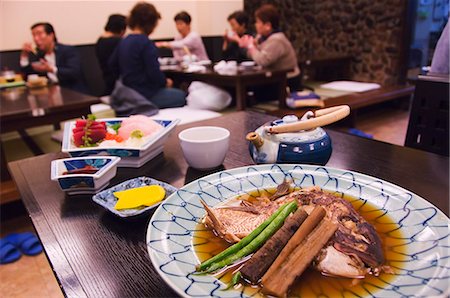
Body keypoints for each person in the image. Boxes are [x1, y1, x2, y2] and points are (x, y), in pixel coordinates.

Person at [109, 1, 186, 108]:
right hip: (145, 94)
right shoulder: (146, 43)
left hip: (127, 94)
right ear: (150, 23)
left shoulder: (124, 41)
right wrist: (165, 82)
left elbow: (112, 65)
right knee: (182, 96)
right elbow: (154, 73)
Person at [239, 4, 300, 100]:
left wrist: (250, 46)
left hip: (287, 81)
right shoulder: (264, 38)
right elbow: (255, 56)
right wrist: (248, 46)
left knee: (251, 92)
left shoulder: (276, 39)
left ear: (267, 25)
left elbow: (263, 60)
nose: (255, 25)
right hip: (275, 78)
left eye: (258, 22)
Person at [20, 22, 87, 93]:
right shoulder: (39, 55)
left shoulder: (67, 50)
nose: (36, 39)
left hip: (73, 92)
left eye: (39, 34)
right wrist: (24, 55)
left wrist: (51, 69)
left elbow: (74, 72)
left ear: (51, 35)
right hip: (50, 94)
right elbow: (27, 75)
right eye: (34, 35)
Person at [95, 14, 127, 95]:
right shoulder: (117, 42)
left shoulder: (100, 40)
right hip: (121, 83)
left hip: (108, 80)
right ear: (122, 29)